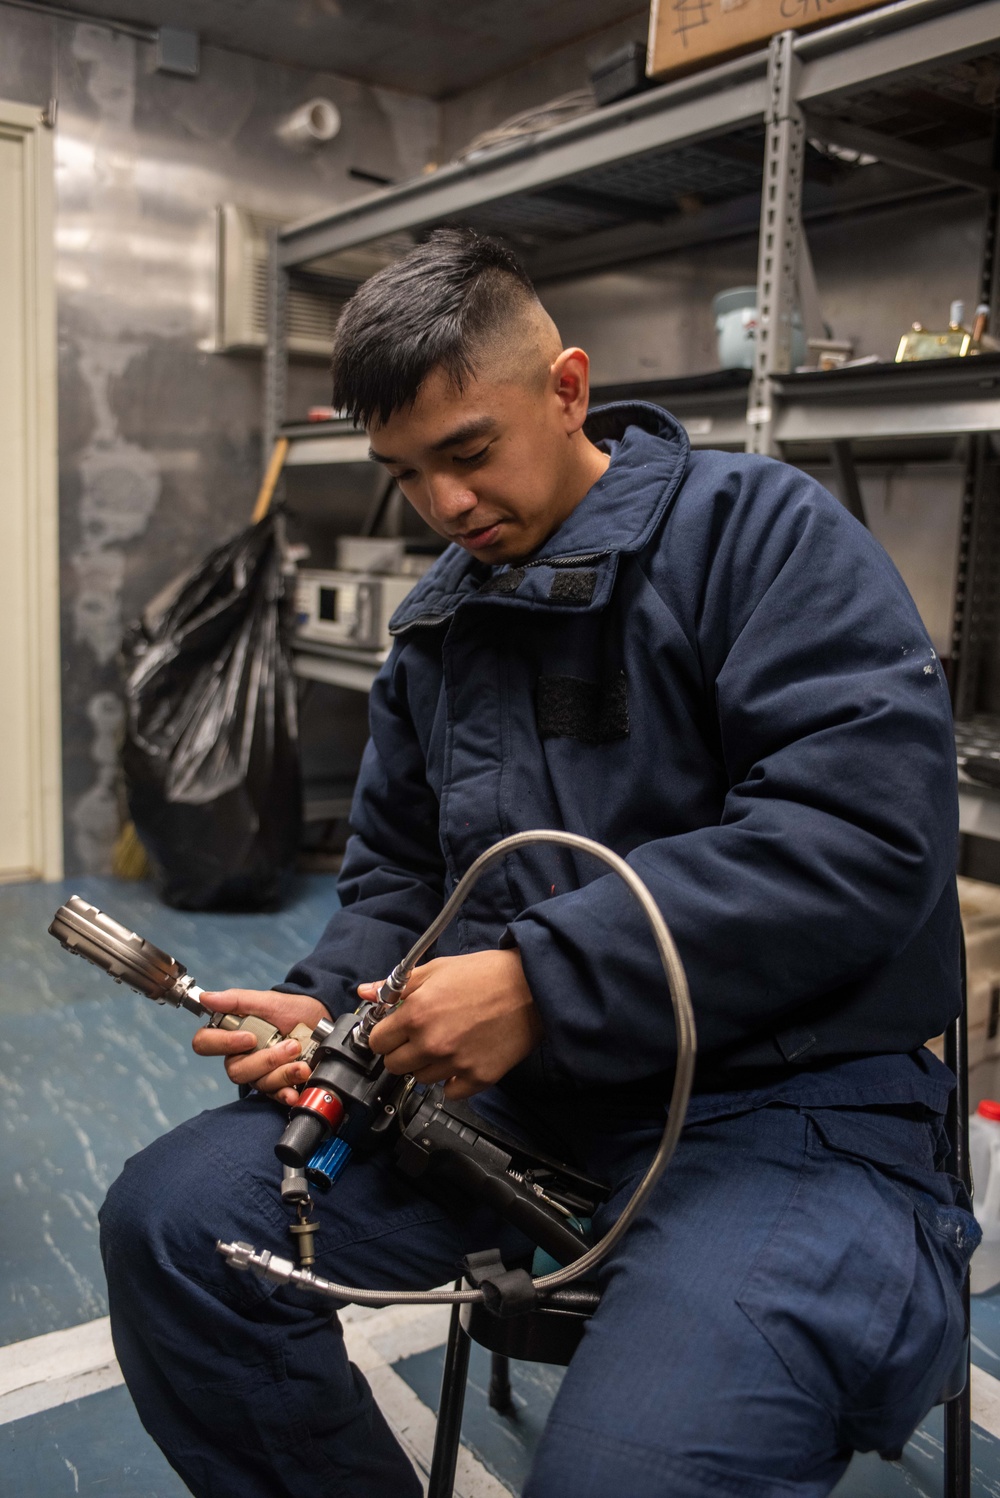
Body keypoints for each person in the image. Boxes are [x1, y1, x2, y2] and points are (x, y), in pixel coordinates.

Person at [100, 230, 979, 1498]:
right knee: (179, 1227)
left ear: (567, 389)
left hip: (790, 1104)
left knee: (628, 1472)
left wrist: (540, 980)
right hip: (525, 1102)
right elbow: (402, 882)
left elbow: (861, 839)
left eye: (469, 452)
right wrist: (335, 1001)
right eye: (407, 475)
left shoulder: (760, 536)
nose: (446, 506)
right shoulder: (440, 627)